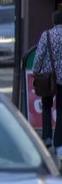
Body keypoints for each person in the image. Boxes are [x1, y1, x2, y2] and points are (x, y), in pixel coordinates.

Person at [33, 9, 62, 148]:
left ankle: (47, 138)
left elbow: (39, 55)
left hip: (48, 78)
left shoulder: (47, 35)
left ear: (53, 21)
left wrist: (36, 71)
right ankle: (59, 141)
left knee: (46, 107)